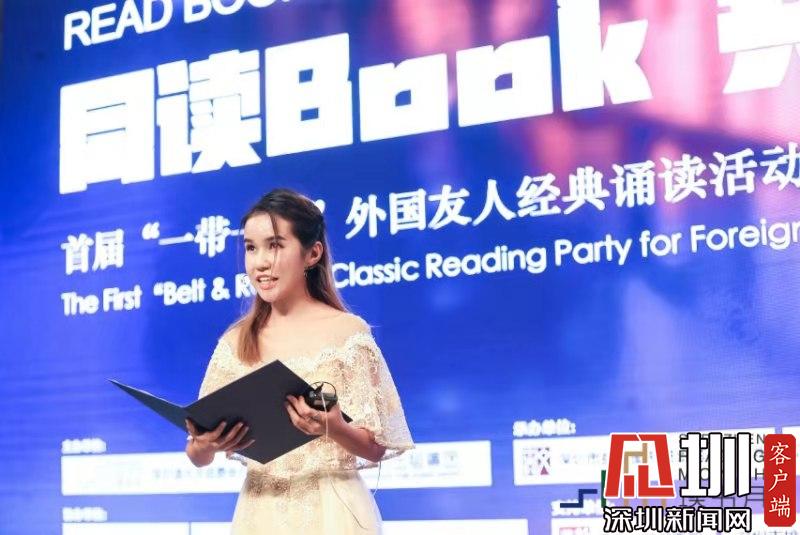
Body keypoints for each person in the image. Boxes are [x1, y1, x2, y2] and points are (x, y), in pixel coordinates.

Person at [183, 188, 414, 534]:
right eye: (251, 248)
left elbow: (376, 447)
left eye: (275, 245)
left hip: (333, 510)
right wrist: (205, 444)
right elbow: (197, 455)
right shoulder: (235, 342)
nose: (260, 262)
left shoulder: (347, 332)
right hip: (260, 511)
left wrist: (334, 428)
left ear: (313, 254)